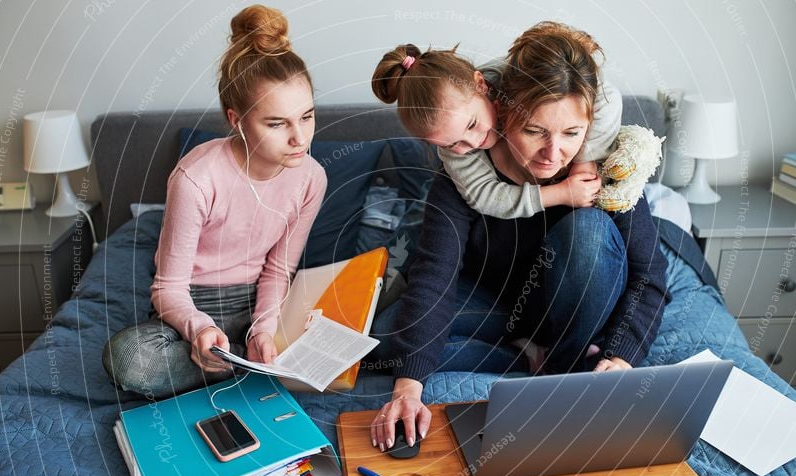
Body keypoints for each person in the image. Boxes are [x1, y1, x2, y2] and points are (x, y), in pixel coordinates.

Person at [368, 22, 669, 451]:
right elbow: (435, 273)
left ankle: (559, 366)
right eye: (534, 132)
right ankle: (526, 355)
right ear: (502, 112)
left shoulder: (606, 169)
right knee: (383, 342)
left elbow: (650, 275)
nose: (553, 153)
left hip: (576, 308)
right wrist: (408, 391)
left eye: (571, 133)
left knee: (588, 230)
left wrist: (620, 359)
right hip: (503, 305)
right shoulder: (464, 176)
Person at [102, 5, 327, 399]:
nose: (299, 138)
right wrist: (200, 330)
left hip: (261, 297)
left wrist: (262, 328)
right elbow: (168, 288)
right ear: (236, 120)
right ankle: (247, 365)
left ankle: (245, 359)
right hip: (193, 301)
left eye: (306, 117)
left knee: (380, 291)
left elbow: (278, 270)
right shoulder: (196, 178)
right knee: (130, 359)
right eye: (277, 124)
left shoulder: (311, 177)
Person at [371, 21, 623, 219]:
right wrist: (559, 193)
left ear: (481, 85)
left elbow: (607, 96)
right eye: (450, 144)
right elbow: (485, 196)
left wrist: (585, 160)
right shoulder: (455, 152)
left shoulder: (515, 78)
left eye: (471, 125)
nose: (472, 143)